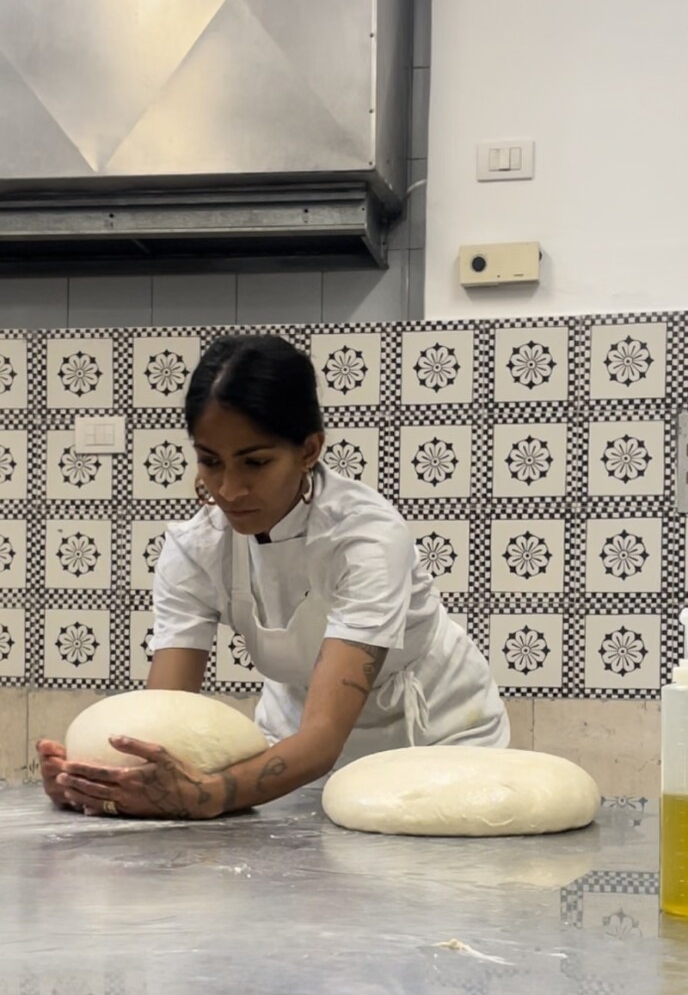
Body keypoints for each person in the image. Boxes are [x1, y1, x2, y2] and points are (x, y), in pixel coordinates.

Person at [39, 333, 508, 819]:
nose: (229, 489)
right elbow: (165, 715)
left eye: (255, 462)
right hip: (292, 741)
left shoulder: (366, 539)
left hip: (437, 736)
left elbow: (324, 738)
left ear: (309, 449)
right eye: (209, 461)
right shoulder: (196, 548)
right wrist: (100, 780)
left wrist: (209, 795)